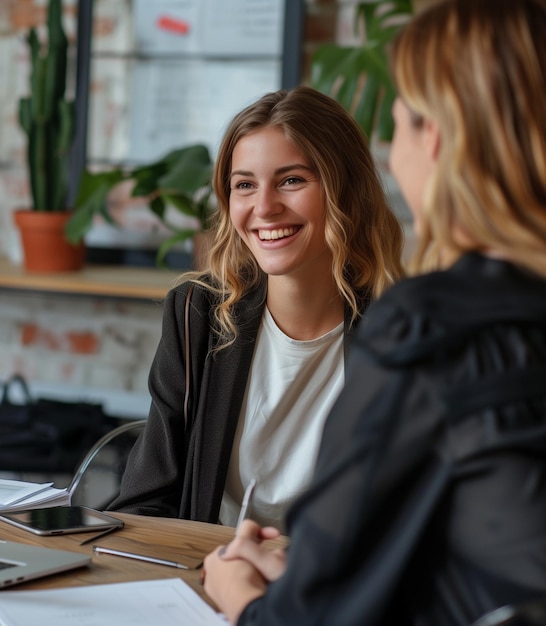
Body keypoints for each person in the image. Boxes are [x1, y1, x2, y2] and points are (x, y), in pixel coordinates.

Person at [202, 0, 546, 623]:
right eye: (243, 184)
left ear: (435, 137)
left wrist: (243, 599)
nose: (392, 147)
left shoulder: (432, 327)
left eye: (401, 123)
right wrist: (314, 575)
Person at [109, 86, 404, 530]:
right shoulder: (198, 312)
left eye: (292, 180)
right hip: (205, 572)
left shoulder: (403, 328)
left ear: (348, 189)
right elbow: (144, 500)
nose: (264, 208)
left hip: (332, 588)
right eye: (244, 185)